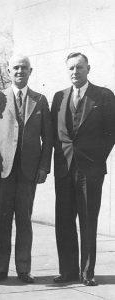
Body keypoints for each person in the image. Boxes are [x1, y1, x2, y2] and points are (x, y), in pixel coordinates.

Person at [0, 54, 53, 283]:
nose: (20, 71)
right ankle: (0, 269)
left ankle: (24, 269)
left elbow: (48, 138)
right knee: (2, 221)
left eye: (24, 68)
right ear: (8, 71)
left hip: (28, 172)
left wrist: (43, 167)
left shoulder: (40, 100)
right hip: (3, 170)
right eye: (16, 68)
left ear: (30, 72)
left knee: (24, 221)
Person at [51, 52, 115, 286]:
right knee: (64, 221)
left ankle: (87, 273)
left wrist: (97, 158)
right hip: (65, 168)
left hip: (90, 170)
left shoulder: (104, 95)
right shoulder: (59, 97)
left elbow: (111, 132)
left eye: (79, 67)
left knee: (88, 221)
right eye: (71, 68)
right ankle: (67, 271)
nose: (75, 72)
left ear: (89, 68)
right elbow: (55, 135)